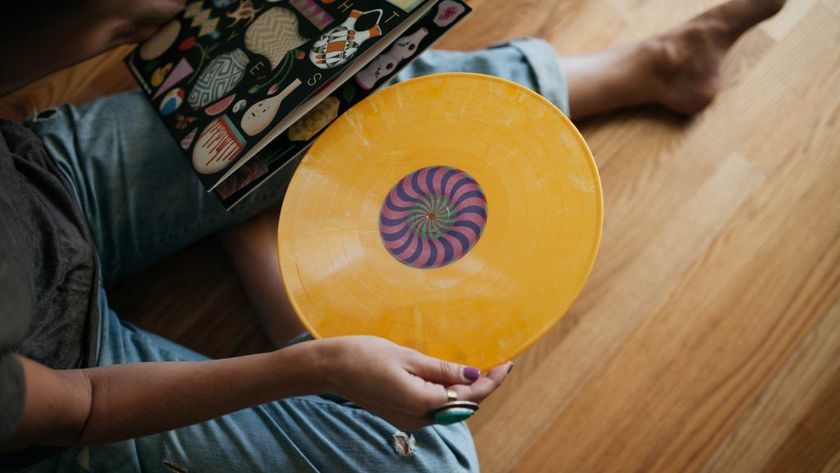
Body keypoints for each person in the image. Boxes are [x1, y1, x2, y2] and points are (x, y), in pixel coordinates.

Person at [0, 0, 785, 471]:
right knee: (434, 457)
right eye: (125, 23)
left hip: (47, 176)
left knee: (335, 87)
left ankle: (649, 66)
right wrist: (315, 366)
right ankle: (262, 233)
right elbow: (82, 404)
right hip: (71, 368)